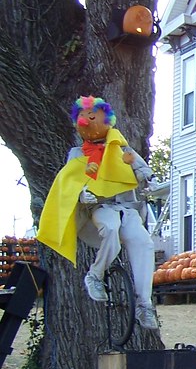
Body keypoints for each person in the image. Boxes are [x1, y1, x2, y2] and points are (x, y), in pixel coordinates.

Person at [37, 96, 159, 330]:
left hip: (126, 208)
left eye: (93, 117)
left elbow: (141, 169)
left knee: (143, 242)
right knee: (110, 228)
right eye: (84, 118)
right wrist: (83, 194)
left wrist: (151, 181)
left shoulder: (122, 149)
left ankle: (144, 304)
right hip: (100, 208)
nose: (88, 122)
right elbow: (71, 182)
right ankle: (95, 274)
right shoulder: (77, 154)